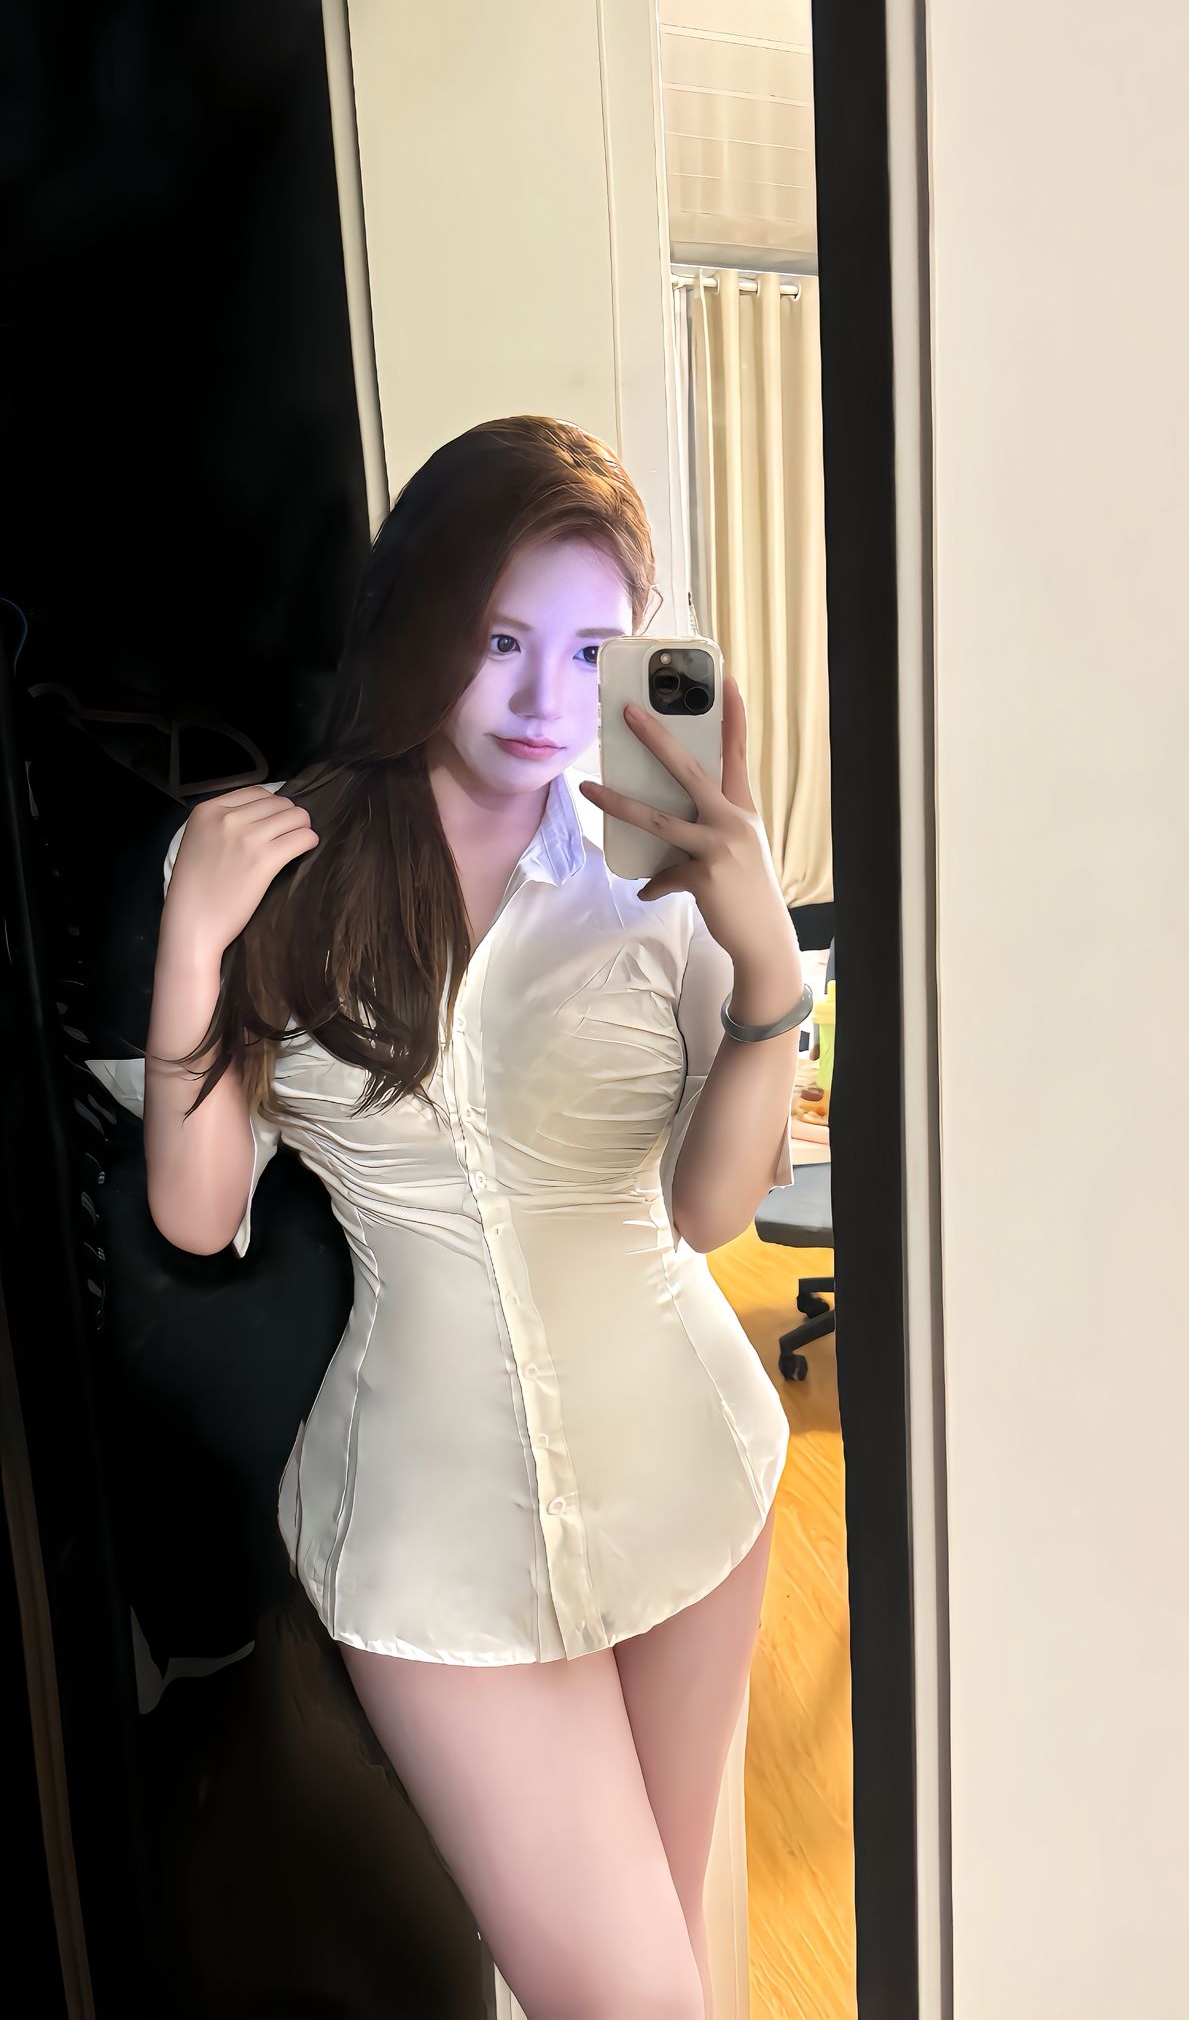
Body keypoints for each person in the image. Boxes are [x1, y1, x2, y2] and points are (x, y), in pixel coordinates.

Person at [137, 415, 808, 2018]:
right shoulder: (272, 870)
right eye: (499, 640)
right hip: (435, 1546)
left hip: (688, 1475)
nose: (542, 701)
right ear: (420, 618)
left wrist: (767, 969)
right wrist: (191, 940)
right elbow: (199, 1214)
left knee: (675, 1952)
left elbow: (710, 1210)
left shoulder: (656, 882)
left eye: (587, 650)